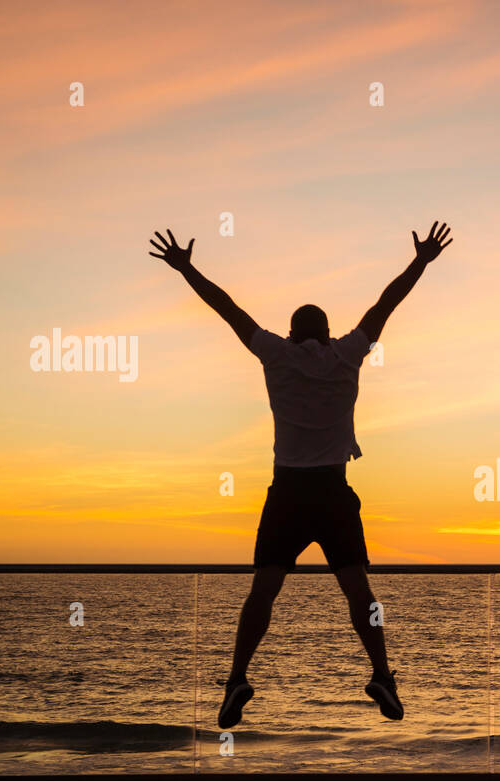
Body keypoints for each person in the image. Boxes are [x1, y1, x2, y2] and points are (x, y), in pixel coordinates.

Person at [148, 222, 453, 728]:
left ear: (291, 333)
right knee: (361, 594)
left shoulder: (275, 353)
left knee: (262, 593)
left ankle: (237, 678)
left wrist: (186, 269)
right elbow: (385, 305)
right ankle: (381, 673)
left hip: (287, 492)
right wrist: (421, 261)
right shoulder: (347, 354)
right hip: (332, 493)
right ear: (327, 332)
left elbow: (228, 310)